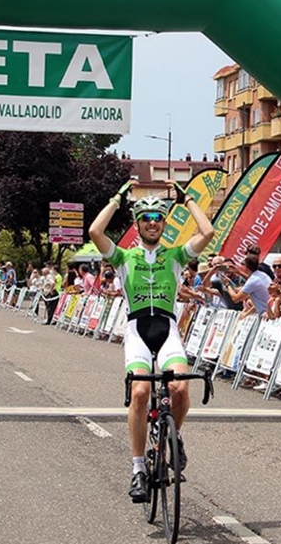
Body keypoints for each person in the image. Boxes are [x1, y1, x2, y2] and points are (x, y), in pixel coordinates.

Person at [88, 179, 213, 504]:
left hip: (167, 329)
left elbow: (208, 232)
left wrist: (186, 200)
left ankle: (176, 437)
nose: (153, 223)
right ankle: (138, 467)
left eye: (158, 218)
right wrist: (118, 197)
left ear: (164, 223)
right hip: (137, 330)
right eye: (146, 219)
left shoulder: (174, 255)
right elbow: (95, 232)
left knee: (180, 388)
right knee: (141, 392)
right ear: (138, 223)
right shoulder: (124, 258)